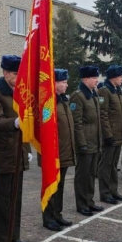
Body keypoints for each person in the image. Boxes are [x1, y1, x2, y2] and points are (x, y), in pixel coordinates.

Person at [0, 55, 32, 242]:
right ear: (5, 74)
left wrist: (27, 150)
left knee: (17, 197)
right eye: (16, 74)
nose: (19, 77)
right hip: (4, 153)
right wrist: (14, 123)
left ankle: (14, 235)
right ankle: (3, 239)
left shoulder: (20, 92)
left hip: (19, 152)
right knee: (4, 199)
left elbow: (27, 125)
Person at [41, 69, 75, 232]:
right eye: (64, 82)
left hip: (64, 151)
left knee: (60, 186)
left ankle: (57, 214)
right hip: (53, 153)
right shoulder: (48, 103)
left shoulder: (62, 101)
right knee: (51, 185)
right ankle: (48, 217)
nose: (67, 84)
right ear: (55, 83)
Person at [70, 66, 104, 216]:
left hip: (95, 141)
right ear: (85, 79)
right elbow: (76, 122)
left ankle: (90, 201)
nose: (97, 80)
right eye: (93, 78)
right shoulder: (78, 96)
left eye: (96, 78)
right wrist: (81, 143)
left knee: (91, 174)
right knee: (83, 175)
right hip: (85, 142)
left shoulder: (93, 94)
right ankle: (81, 204)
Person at [98, 65, 122, 205]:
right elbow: (103, 115)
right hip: (110, 136)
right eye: (120, 76)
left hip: (118, 134)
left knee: (114, 164)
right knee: (106, 164)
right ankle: (105, 193)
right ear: (113, 77)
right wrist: (107, 135)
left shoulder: (117, 91)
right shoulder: (105, 91)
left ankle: (113, 190)